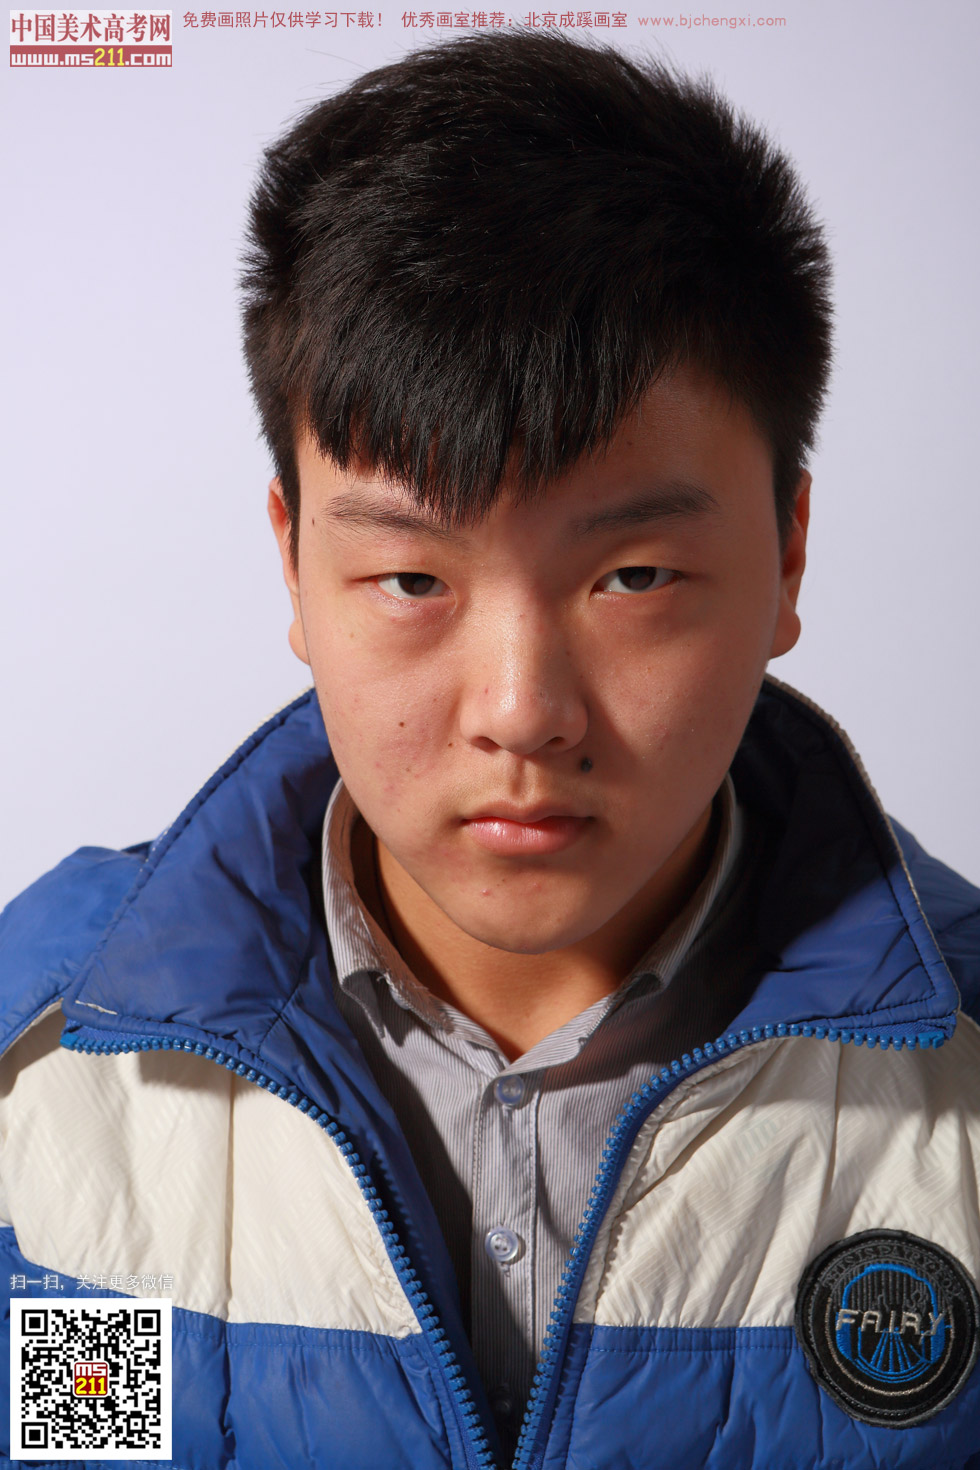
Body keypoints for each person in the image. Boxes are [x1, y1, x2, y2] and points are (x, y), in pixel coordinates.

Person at [2, 28, 979, 1470]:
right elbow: (78, 1442)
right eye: (413, 579)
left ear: (787, 554)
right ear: (293, 561)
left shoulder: (960, 1075)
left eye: (632, 577)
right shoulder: (58, 1060)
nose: (522, 711)